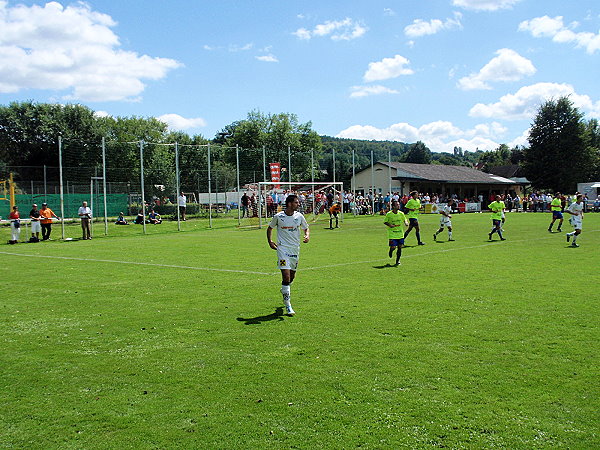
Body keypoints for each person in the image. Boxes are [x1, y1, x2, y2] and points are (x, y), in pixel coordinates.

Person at [266, 194, 310, 316]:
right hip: (282, 250)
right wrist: (270, 241)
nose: (298, 204)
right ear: (290, 204)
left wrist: (307, 235)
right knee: (286, 277)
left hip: (295, 250)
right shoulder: (278, 217)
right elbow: (270, 228)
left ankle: (285, 289)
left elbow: (306, 228)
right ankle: (288, 305)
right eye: (296, 202)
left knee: (291, 277)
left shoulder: (299, 216)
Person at [384, 200, 408, 266]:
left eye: (398, 204)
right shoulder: (389, 214)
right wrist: (390, 225)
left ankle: (397, 261)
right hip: (392, 233)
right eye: (397, 205)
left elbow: (404, 219)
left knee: (400, 247)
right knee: (393, 247)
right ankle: (391, 250)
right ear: (393, 206)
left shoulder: (401, 213)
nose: (398, 206)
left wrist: (406, 222)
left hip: (400, 233)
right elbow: (385, 222)